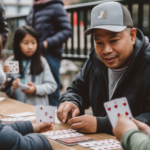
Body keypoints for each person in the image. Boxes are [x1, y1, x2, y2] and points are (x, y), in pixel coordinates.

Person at [57, 1, 150, 135]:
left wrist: (102, 124)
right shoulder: (95, 59)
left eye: (113, 40)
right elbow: (76, 90)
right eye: (99, 42)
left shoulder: (146, 64)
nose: (106, 50)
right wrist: (71, 102)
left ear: (132, 36)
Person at [27, 0, 72, 107]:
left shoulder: (56, 6)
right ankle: (40, 119)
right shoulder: (34, 8)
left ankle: (54, 117)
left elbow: (67, 30)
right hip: (35, 54)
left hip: (51, 54)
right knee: (37, 86)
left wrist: (47, 43)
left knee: (52, 89)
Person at [3, 26, 57, 105]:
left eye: (33, 42)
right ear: (17, 44)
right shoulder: (12, 62)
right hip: (18, 110)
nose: (30, 47)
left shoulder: (41, 61)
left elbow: (52, 86)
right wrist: (11, 86)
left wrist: (35, 89)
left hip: (38, 110)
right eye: (25, 43)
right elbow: (6, 89)